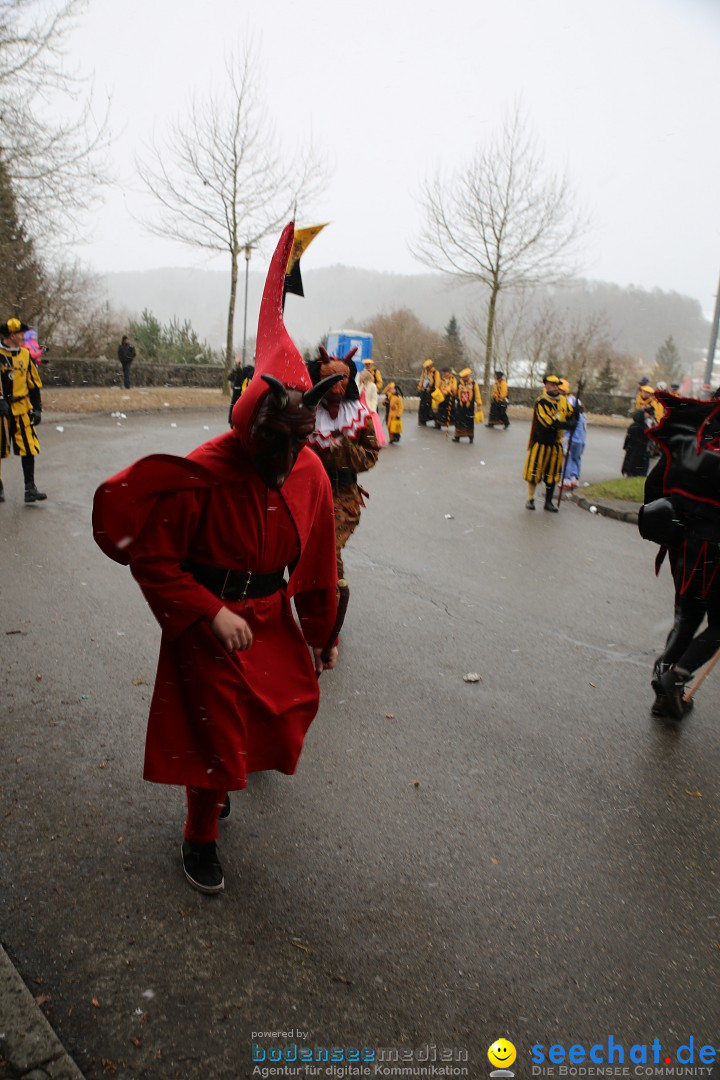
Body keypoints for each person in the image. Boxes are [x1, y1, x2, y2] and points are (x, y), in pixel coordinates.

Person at [93, 224, 342, 894]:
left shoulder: (311, 474)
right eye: (276, 448)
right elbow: (154, 559)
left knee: (269, 714)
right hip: (207, 623)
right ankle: (199, 834)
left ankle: (220, 783)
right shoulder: (204, 470)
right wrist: (207, 611)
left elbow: (319, 564)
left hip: (265, 616)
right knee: (210, 731)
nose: (286, 465)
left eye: (298, 448)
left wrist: (320, 633)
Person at [638, 391, 720, 719]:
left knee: (687, 616)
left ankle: (665, 694)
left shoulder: (687, 438)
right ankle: (675, 676)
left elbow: (654, 488)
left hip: (682, 545)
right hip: (715, 550)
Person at [306, 345, 380, 582]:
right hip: (308, 496)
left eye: (342, 379)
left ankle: (334, 599)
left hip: (344, 496)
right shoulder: (306, 412)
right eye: (329, 379)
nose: (336, 386)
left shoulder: (360, 414)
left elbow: (370, 456)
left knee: (329, 548)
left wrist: (345, 449)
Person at [0, 317, 47, 504]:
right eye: (20, 334)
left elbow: (34, 384)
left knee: (29, 447)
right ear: (11, 335)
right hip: (1, 410)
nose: (23, 337)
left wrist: (37, 409)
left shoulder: (26, 355)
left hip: (21, 408)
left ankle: (30, 488)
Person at [523, 374, 576, 512]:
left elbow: (571, 414)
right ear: (546, 386)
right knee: (534, 473)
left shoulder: (564, 401)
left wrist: (575, 417)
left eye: (556, 385)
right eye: (551, 385)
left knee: (552, 475)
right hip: (541, 442)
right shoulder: (541, 402)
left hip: (556, 444)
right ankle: (530, 499)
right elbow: (550, 423)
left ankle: (548, 502)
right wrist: (567, 425)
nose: (555, 387)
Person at [561, 391, 587, 489]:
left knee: (567, 458)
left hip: (570, 438)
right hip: (581, 440)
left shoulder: (570, 413)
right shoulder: (583, 416)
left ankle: (566, 479)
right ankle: (574, 478)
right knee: (576, 459)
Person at [621, 406, 654, 477]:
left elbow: (628, 437)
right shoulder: (644, 426)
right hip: (641, 448)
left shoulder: (633, 425)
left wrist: (626, 446)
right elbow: (648, 437)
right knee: (638, 463)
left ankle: (629, 472)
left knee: (630, 461)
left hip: (632, 447)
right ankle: (636, 473)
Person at [452, 368, 482, 443]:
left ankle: (470, 437)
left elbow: (477, 395)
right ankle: (457, 436)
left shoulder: (474, 384)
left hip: (469, 406)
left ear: (468, 376)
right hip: (460, 406)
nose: (465, 378)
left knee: (469, 421)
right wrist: (452, 389)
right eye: (463, 376)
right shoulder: (459, 383)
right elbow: (455, 392)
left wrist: (479, 404)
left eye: (466, 376)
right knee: (459, 421)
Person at [228, 356, 254, 426]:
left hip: (242, 396)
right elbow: (230, 377)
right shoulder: (244, 371)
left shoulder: (250, 371)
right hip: (240, 395)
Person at [417, 359, 438, 426]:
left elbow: (437, 383)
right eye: (426, 367)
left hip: (431, 391)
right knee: (422, 407)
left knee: (430, 407)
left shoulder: (435, 372)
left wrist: (435, 391)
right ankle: (422, 420)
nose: (427, 368)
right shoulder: (424, 372)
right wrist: (419, 389)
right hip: (424, 391)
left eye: (428, 367)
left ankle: (434, 419)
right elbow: (421, 381)